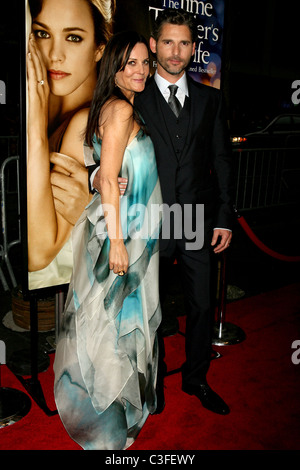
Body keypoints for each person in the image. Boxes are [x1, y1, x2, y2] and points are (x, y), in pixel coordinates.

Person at [90, 9, 233, 416]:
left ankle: (197, 378)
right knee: (149, 309)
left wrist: (224, 215)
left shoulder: (211, 99)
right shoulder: (133, 92)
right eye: (167, 42)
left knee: (201, 303)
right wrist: (99, 174)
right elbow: (102, 142)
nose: (175, 51)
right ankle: (153, 382)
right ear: (154, 45)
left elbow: (223, 160)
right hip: (146, 218)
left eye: (184, 43)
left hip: (195, 218)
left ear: (193, 48)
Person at [53, 31, 163, 450]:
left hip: (134, 231)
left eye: (143, 63)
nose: (139, 71)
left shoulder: (115, 106)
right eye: (129, 64)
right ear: (114, 69)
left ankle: (112, 406)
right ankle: (105, 418)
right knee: (111, 321)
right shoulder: (118, 109)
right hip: (123, 234)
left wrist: (98, 174)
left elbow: (104, 172)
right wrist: (117, 242)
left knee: (110, 319)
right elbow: (112, 183)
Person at [26, 0, 115, 289]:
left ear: (99, 48)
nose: (54, 54)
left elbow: (37, 255)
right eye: (42, 33)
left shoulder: (85, 122)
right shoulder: (52, 108)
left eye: (73, 37)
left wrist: (35, 130)